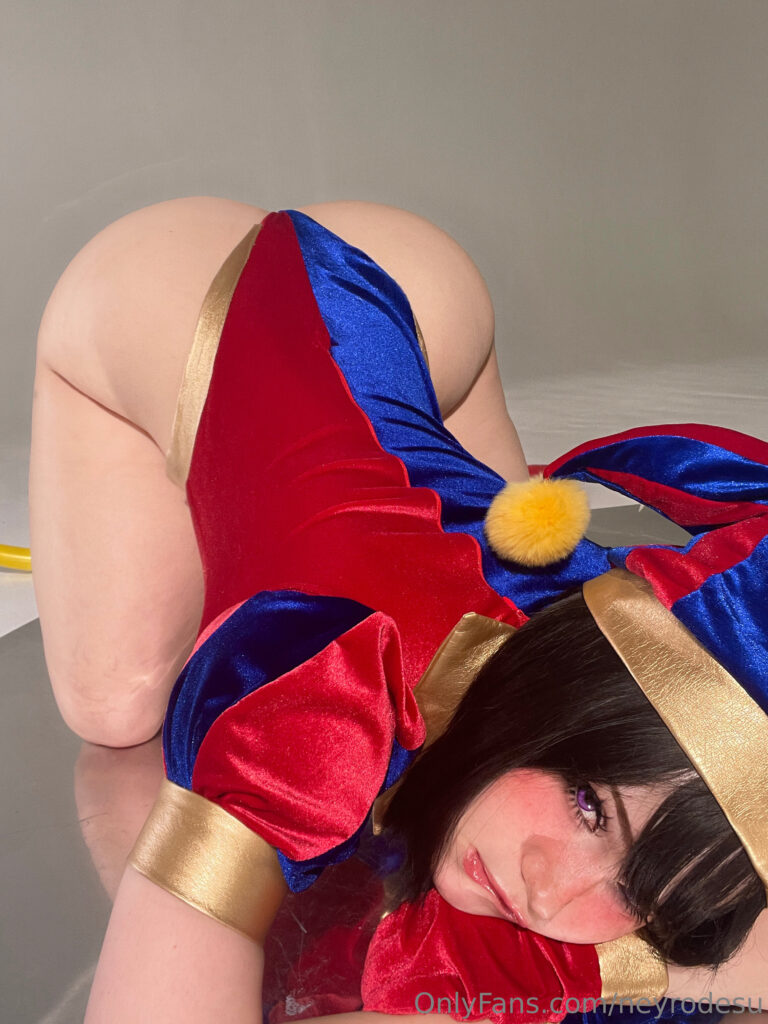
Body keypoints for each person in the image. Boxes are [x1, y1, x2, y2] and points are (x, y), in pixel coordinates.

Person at [28, 198, 768, 1024]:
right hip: (201, 289)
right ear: (563, 687)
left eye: (638, 894)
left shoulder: (672, 673)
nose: (551, 894)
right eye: (588, 806)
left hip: (424, 351)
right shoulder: (327, 676)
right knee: (116, 706)